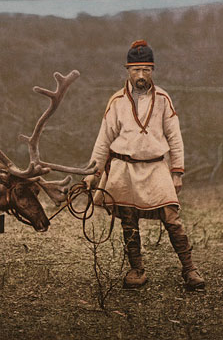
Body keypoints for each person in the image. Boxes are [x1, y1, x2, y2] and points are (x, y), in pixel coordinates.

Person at [84, 40, 205, 290]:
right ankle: (136, 269)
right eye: (136, 70)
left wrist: (177, 172)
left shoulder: (162, 99)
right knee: (128, 221)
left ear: (153, 70)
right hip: (123, 169)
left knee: (172, 219)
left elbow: (175, 137)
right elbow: (103, 139)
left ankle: (189, 269)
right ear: (127, 70)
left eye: (146, 70)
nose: (141, 75)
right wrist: (92, 173)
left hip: (156, 167)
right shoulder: (116, 101)